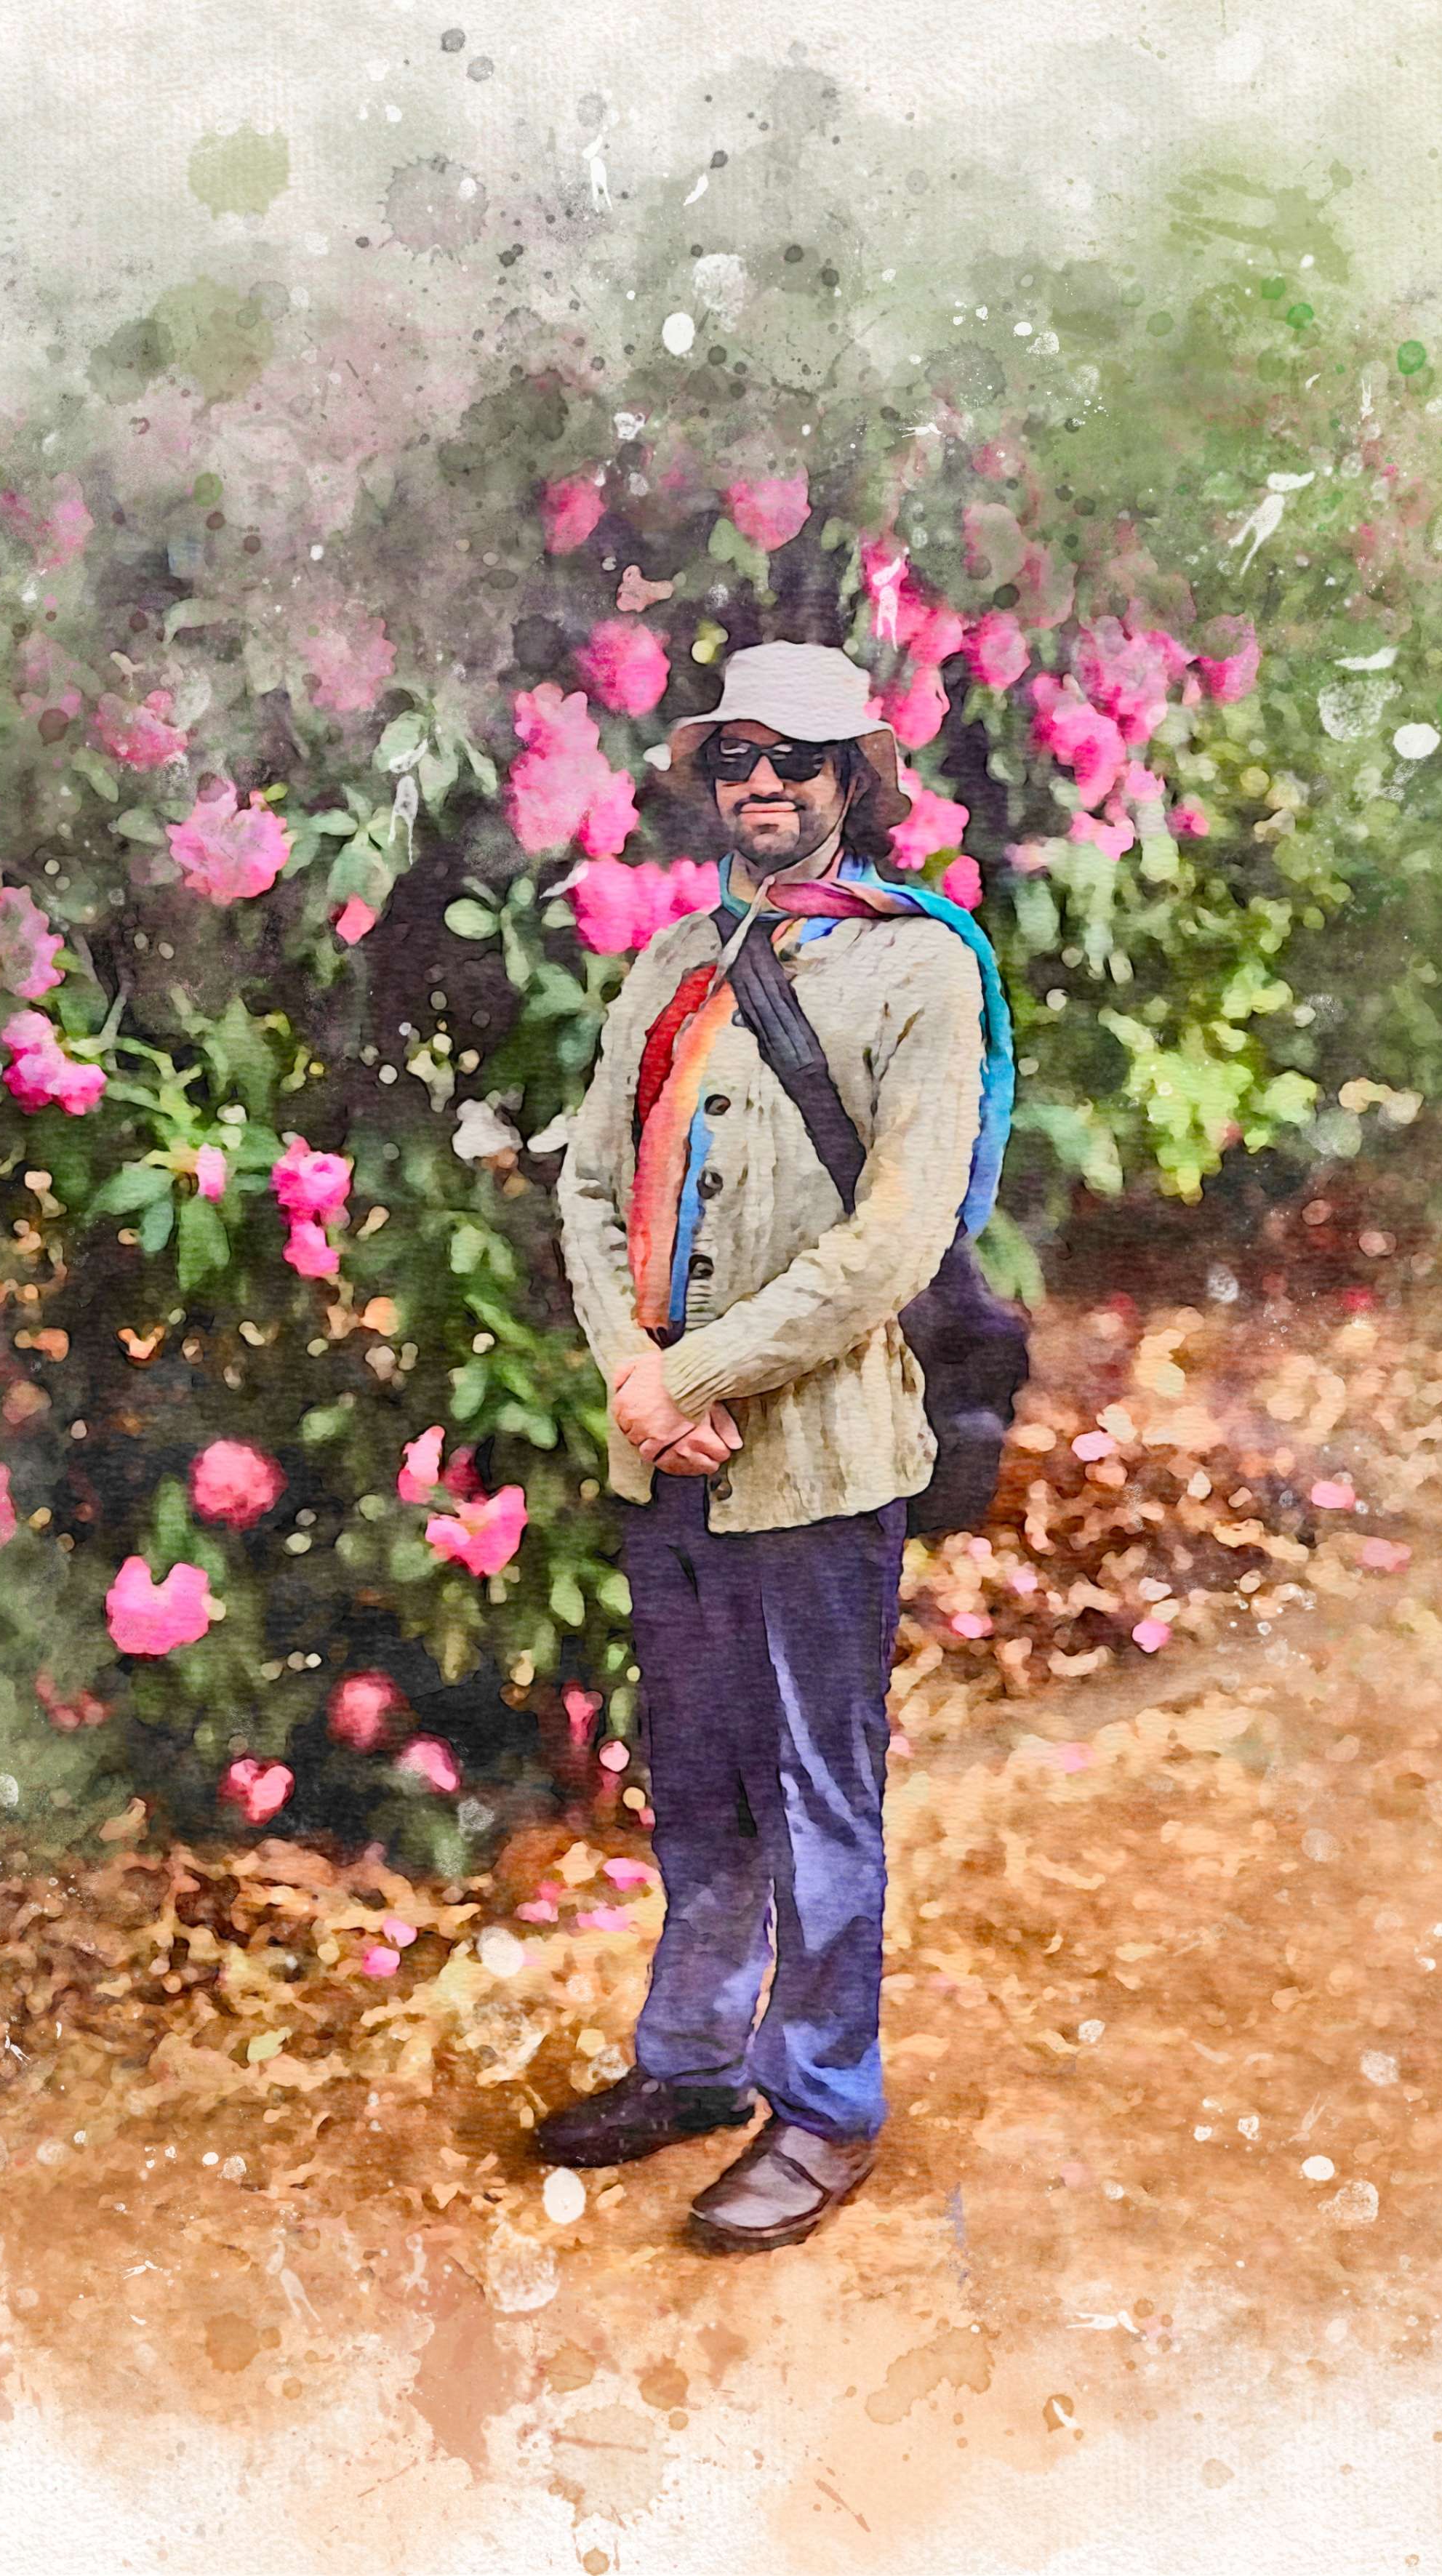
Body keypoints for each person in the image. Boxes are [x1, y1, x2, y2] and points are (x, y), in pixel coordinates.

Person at [542, 640, 1013, 2251]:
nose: (762, 782)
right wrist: (638, 1376)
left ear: (851, 782)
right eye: (737, 755)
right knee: (696, 1779)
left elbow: (898, 1238)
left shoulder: (918, 969)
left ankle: (821, 2104)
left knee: (819, 1791)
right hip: (665, 1452)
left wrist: (696, 1372)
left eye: (796, 759)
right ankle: (689, 2063)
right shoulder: (673, 960)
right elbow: (588, 1186)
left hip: (819, 1459)